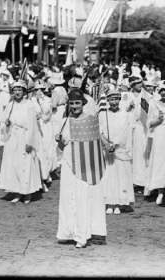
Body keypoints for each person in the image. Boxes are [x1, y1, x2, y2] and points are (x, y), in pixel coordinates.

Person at [56, 89, 107, 248]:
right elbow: (62, 144)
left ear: (83, 104)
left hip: (83, 166)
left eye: (77, 103)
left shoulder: (90, 120)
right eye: (72, 103)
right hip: (68, 163)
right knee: (67, 197)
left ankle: (82, 235)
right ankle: (68, 232)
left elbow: (97, 142)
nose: (74, 106)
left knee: (82, 198)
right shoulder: (65, 120)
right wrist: (59, 141)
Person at [0, 80, 43, 204]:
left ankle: (27, 193)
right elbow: (4, 119)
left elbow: (33, 125)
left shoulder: (29, 105)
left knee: (25, 164)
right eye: (15, 90)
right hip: (12, 137)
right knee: (14, 164)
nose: (17, 92)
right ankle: (17, 191)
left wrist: (30, 142)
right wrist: (6, 124)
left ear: (24, 92)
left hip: (24, 136)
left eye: (20, 90)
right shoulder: (11, 104)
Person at [99, 87, 134, 215]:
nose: (114, 102)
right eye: (111, 99)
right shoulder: (103, 114)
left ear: (119, 100)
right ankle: (109, 202)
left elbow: (125, 132)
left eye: (116, 99)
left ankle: (119, 202)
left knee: (120, 176)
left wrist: (116, 144)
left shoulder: (125, 114)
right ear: (107, 100)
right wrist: (106, 143)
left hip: (120, 149)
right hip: (107, 150)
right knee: (109, 176)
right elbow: (100, 131)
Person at [144, 81, 165, 205]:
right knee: (159, 162)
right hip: (159, 135)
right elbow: (149, 123)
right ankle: (160, 192)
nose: (163, 93)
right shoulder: (153, 104)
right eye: (161, 90)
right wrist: (157, 121)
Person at [126, 76, 148, 193]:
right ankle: (133, 181)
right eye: (137, 83)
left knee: (141, 153)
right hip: (130, 128)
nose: (140, 85)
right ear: (132, 85)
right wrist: (128, 107)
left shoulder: (145, 95)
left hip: (141, 128)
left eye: (141, 82)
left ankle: (142, 181)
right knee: (130, 153)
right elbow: (122, 111)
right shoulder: (127, 96)